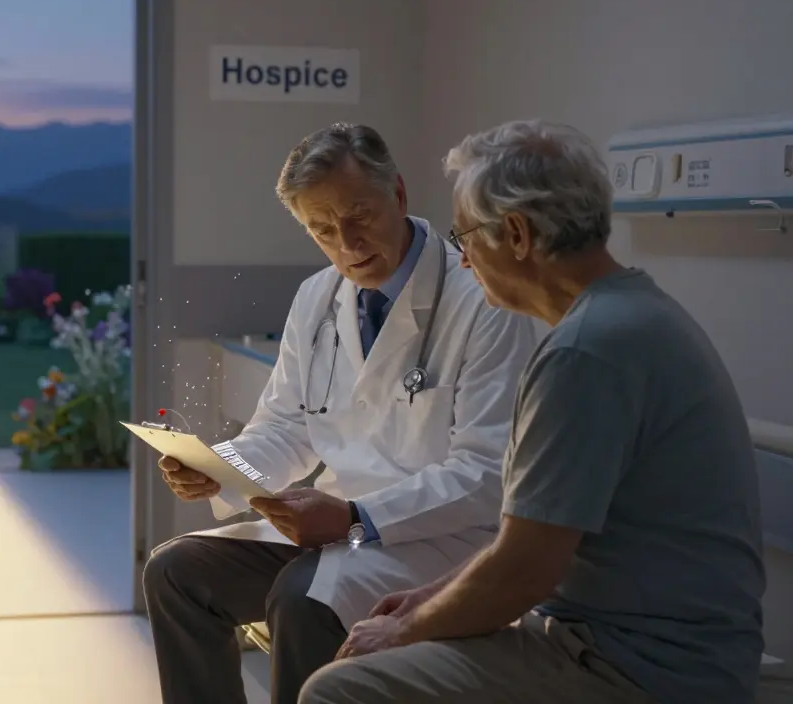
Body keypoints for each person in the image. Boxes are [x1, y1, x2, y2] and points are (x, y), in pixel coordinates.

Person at [300, 119, 767, 704]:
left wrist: (403, 630)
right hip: (636, 639)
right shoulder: (630, 314)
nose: (463, 259)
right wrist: (426, 600)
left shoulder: (584, 353)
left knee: (340, 691)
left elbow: (525, 569)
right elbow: (535, 545)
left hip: (639, 668)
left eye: (465, 235)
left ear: (516, 234)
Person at [143, 122, 540, 704]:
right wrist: (219, 469)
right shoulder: (318, 297)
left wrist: (357, 518)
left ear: (399, 195)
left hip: (440, 540)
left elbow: (486, 475)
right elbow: (286, 428)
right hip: (337, 531)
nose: (347, 244)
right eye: (322, 229)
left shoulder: (482, 298)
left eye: (359, 216)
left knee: (303, 601)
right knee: (176, 572)